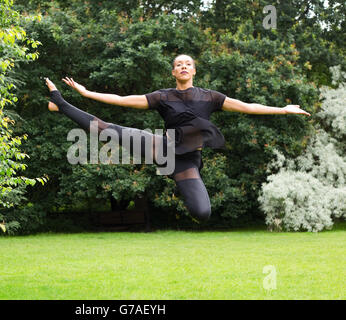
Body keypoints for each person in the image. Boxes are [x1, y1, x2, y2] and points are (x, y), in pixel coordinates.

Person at [45, 54, 310, 222]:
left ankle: (60, 107)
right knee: (105, 130)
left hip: (185, 161)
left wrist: (283, 109)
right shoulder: (163, 97)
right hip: (160, 147)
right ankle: (61, 102)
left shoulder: (210, 97)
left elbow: (249, 106)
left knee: (203, 213)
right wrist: (88, 93)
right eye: (178, 65)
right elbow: (123, 101)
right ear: (173, 72)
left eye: (187, 64)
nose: (183, 67)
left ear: (194, 71)